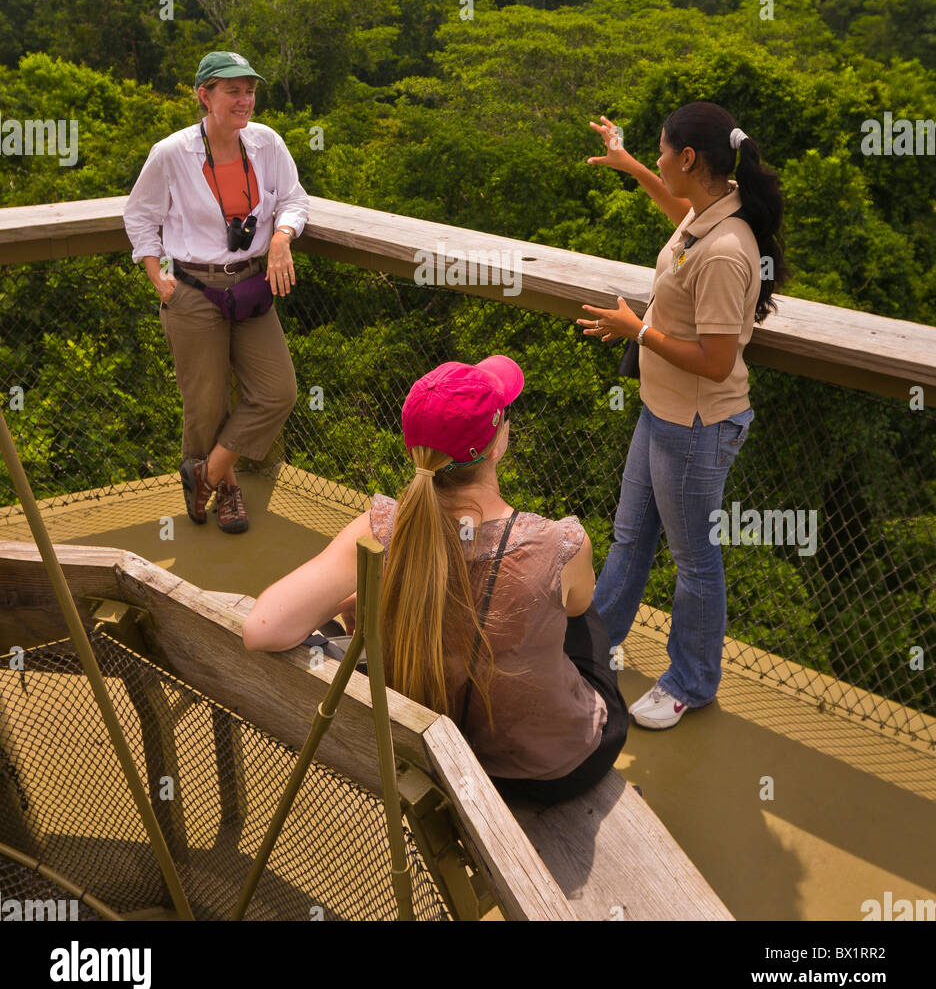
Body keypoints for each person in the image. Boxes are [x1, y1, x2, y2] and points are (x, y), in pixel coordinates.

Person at [243, 356, 630, 805]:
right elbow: (579, 607)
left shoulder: (380, 529)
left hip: (429, 759)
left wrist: (362, 598)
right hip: (549, 775)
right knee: (581, 616)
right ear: (499, 442)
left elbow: (261, 629)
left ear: (413, 448)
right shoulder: (559, 542)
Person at [577, 101, 789, 729]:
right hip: (660, 411)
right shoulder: (706, 217)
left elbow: (718, 361)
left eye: (663, 152)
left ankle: (692, 681)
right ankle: (593, 652)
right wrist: (629, 165)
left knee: (694, 560)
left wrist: (636, 329)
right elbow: (677, 212)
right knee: (630, 539)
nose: (661, 160)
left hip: (697, 427)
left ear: (689, 159)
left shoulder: (726, 249)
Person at [123, 49, 310, 534]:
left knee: (277, 391)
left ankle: (205, 471)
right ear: (204, 95)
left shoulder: (267, 144)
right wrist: (152, 269)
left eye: (249, 90)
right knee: (204, 404)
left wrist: (283, 238)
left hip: (251, 286)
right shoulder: (172, 153)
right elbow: (140, 215)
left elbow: (293, 199)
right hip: (191, 287)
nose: (244, 99)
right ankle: (226, 488)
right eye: (233, 90)